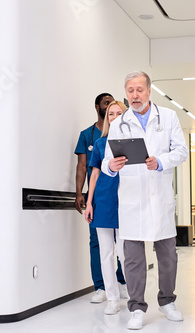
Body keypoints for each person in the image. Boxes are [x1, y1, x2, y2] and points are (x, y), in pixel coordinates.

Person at [102, 71, 188, 330]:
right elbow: (106, 162)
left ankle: (167, 301)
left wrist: (161, 161)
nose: (135, 95)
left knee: (167, 255)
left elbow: (181, 151)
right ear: (126, 94)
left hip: (159, 196)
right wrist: (113, 166)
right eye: (130, 90)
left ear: (149, 91)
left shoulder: (169, 117)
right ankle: (137, 307)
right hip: (132, 199)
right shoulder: (119, 123)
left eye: (139, 90)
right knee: (133, 259)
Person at [74, 93, 127, 303]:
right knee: (103, 249)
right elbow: (90, 172)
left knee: (126, 252)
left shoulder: (134, 142)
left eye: (118, 113)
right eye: (110, 113)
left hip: (125, 202)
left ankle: (128, 290)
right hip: (102, 201)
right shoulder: (97, 142)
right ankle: (107, 293)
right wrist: (86, 199)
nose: (113, 116)